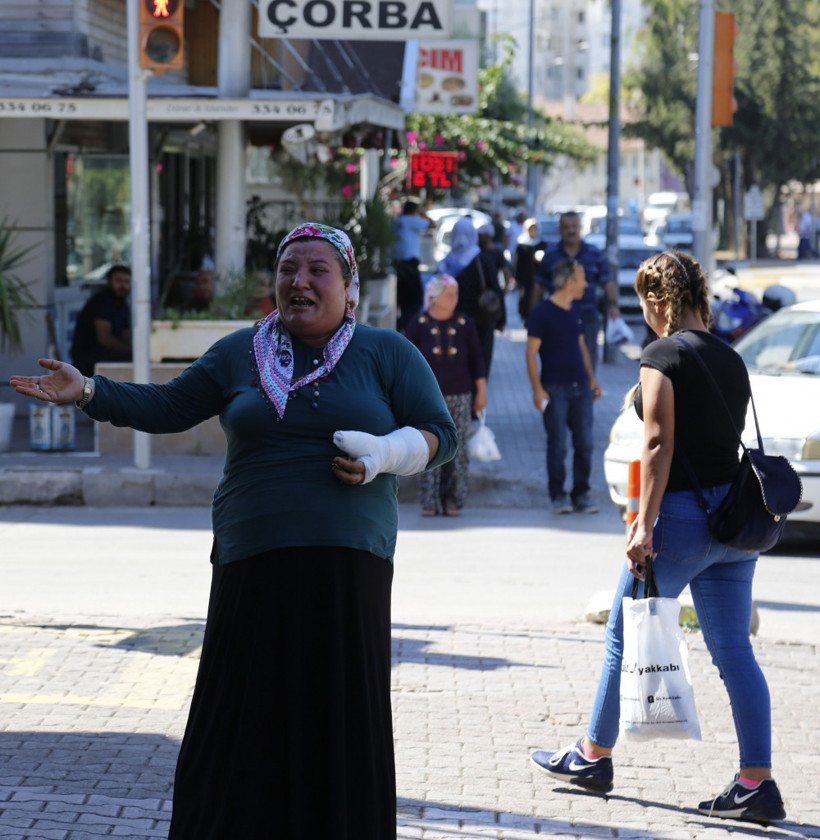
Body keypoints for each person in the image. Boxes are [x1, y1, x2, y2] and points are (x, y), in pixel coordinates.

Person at [11, 223, 458, 840]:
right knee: (244, 711)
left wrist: (385, 453)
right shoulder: (237, 352)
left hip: (347, 560)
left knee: (339, 712)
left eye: (317, 270)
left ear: (349, 286)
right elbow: (169, 407)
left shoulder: (387, 352)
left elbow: (441, 434)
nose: (298, 281)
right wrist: (88, 390)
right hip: (253, 556)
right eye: (287, 269)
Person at [530, 250, 787, 825]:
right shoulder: (731, 358)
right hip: (733, 527)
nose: (645, 309)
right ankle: (756, 781)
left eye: (647, 298)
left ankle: (592, 757)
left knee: (624, 630)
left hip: (680, 522)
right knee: (736, 653)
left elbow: (657, 445)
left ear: (658, 299)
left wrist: (642, 524)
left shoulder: (661, 354)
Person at [405, 274, 487, 516]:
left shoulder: (464, 323)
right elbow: (406, 361)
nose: (455, 298)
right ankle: (429, 501)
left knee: (458, 450)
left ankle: (453, 500)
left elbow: (477, 360)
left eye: (456, 293)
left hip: (460, 396)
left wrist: (481, 391)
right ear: (434, 296)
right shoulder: (418, 323)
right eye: (449, 293)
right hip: (427, 400)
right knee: (427, 448)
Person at [526, 259, 602, 514]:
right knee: (557, 445)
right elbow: (530, 353)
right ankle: (558, 496)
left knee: (585, 444)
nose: (586, 284)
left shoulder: (574, 309)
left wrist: (591, 379)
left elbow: (581, 346)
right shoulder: (541, 313)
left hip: (581, 388)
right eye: (582, 279)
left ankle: (581, 495)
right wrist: (537, 389)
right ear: (569, 282)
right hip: (554, 389)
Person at [535, 211, 619, 369]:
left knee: (587, 366)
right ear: (560, 229)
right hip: (556, 321)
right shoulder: (551, 254)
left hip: (587, 320)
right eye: (566, 227)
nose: (571, 230)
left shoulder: (593, 253)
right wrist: (532, 314)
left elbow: (607, 281)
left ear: (580, 228)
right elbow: (539, 285)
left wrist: (613, 306)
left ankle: (587, 391)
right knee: (558, 366)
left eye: (574, 226)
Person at [437, 216, 505, 376]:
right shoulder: (483, 260)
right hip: (482, 320)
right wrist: (501, 319)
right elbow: (496, 290)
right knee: (480, 366)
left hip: (454, 321)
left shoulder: (445, 264)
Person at [70, 264, 132, 376]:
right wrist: (130, 350)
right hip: (89, 361)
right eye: (118, 281)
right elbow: (105, 339)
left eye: (126, 281)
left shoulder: (123, 305)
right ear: (108, 282)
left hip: (107, 357)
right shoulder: (102, 302)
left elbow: (125, 335)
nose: (123, 285)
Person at [392, 198, 433, 331]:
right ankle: (404, 325)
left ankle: (402, 325)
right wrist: (423, 214)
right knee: (416, 299)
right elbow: (432, 224)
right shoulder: (411, 220)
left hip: (398, 263)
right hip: (410, 263)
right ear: (414, 211)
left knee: (403, 298)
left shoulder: (397, 221)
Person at [512, 218, 546, 325]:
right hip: (525, 277)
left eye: (534, 229)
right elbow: (517, 262)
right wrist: (515, 277)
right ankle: (526, 318)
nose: (533, 232)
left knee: (537, 297)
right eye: (531, 229)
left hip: (537, 276)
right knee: (524, 298)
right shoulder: (522, 244)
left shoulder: (541, 244)